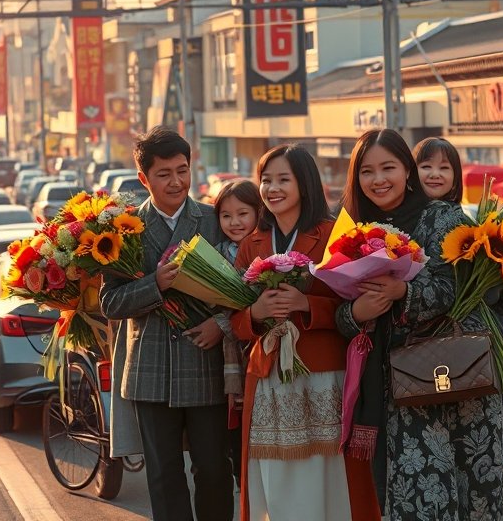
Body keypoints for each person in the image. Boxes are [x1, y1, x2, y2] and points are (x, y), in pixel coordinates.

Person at [337, 129, 503, 520]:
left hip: (460, 377)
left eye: (388, 168)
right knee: (416, 497)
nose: (378, 179)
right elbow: (340, 311)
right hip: (398, 389)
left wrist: (402, 292)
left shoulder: (442, 217)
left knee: (472, 491)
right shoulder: (350, 232)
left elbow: (454, 286)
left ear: (407, 172)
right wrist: (357, 313)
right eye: (367, 171)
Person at [230, 145, 379, 521]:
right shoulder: (252, 242)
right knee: (275, 477)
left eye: (283, 179)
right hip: (268, 376)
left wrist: (306, 304)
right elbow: (231, 316)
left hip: (324, 374)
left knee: (327, 474)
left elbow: (354, 308)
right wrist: (255, 312)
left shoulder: (334, 235)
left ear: (305, 183)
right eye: (266, 180)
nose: (272, 188)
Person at [100, 126, 234, 521]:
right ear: (144, 178)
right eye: (164, 174)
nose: (176, 181)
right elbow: (111, 301)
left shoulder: (213, 220)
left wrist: (221, 326)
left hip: (205, 364)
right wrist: (153, 284)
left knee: (213, 469)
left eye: (183, 170)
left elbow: (246, 289)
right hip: (149, 371)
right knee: (163, 474)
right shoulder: (125, 231)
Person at [414, 136, 503, 467]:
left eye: (444, 167)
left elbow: (498, 297)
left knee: (471, 443)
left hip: (476, 339)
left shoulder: (467, 222)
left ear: (456, 177)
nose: (435, 173)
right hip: (442, 343)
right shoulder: (410, 222)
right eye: (425, 165)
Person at [211, 179, 261, 489]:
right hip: (229, 358)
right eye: (226, 216)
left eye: (243, 213)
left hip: (259, 348)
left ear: (258, 211)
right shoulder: (214, 255)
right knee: (237, 438)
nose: (234, 222)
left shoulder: (267, 248)